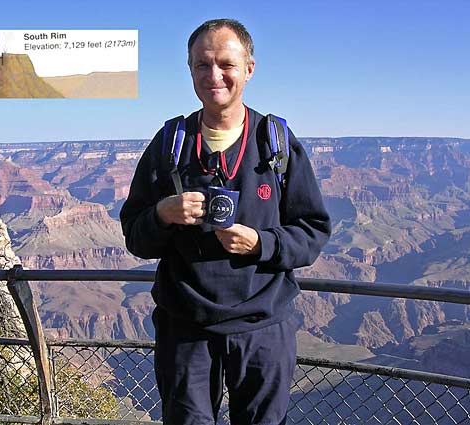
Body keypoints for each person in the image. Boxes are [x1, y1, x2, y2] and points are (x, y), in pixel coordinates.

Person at [120, 18, 331, 425]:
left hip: (263, 328)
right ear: (190, 70)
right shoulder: (170, 144)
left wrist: (261, 243)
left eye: (226, 65)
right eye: (202, 65)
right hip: (186, 329)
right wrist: (163, 215)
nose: (214, 75)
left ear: (248, 69)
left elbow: (313, 232)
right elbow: (135, 236)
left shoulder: (276, 142)